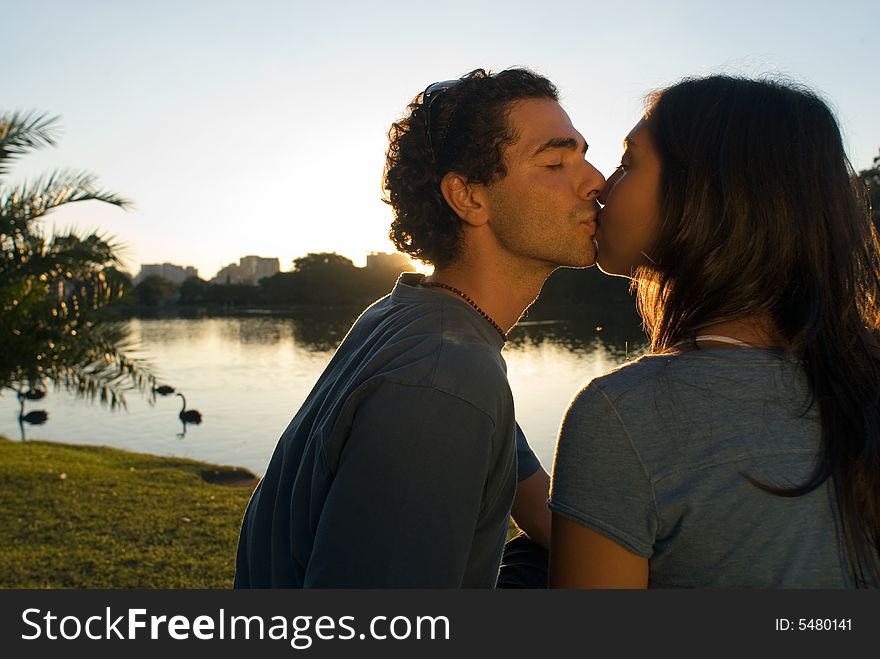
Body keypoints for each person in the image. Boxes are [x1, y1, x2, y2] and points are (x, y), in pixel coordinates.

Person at [234, 67, 604, 588]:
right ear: (469, 197)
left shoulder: (410, 316)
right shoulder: (442, 377)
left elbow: (535, 499)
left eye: (584, 157)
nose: (596, 181)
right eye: (556, 161)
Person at [549, 75, 880, 588]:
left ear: (704, 193)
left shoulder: (624, 415)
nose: (602, 185)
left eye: (629, 161)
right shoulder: (865, 373)